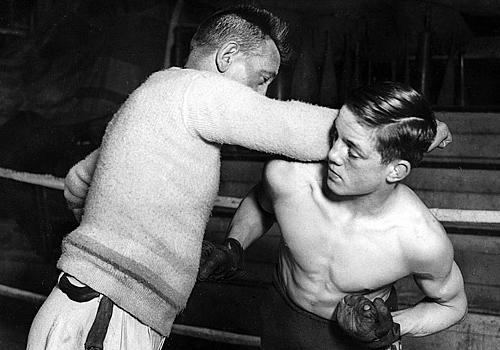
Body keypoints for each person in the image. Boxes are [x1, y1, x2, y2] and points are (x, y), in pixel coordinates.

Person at [29, 5, 452, 350]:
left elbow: (78, 180)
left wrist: (104, 229)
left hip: (87, 301)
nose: (262, 94)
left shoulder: (151, 95)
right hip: (109, 309)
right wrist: (402, 132)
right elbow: (283, 125)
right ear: (226, 57)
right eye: (263, 78)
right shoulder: (198, 91)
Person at [198, 82, 466, 350]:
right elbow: (262, 203)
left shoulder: (420, 239)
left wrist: (393, 327)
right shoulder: (290, 179)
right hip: (282, 317)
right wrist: (234, 245)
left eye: (353, 150)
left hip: (355, 342)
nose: (333, 154)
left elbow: (453, 305)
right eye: (335, 136)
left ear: (396, 171)